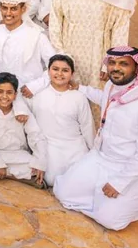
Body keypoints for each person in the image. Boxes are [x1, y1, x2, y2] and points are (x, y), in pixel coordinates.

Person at [54, 47, 138, 229]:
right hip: (104, 157)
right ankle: (104, 199)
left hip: (137, 167)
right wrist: (80, 88)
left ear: (137, 67)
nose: (116, 68)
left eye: (123, 64)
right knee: (64, 192)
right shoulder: (112, 86)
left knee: (110, 219)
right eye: (112, 63)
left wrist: (119, 183)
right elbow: (105, 99)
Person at [0, 73, 48, 187]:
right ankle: (19, 177)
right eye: (0, 92)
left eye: (9, 92)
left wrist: (40, 162)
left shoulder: (23, 112)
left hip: (18, 155)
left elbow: (35, 135)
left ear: (15, 94)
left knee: (38, 166)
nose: (4, 96)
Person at [30, 55, 94, 185]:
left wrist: (93, 152)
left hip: (76, 147)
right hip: (50, 148)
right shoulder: (37, 95)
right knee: (52, 180)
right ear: (48, 71)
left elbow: (87, 126)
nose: (59, 74)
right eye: (55, 69)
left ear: (72, 74)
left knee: (83, 181)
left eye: (65, 70)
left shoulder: (79, 97)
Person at [0, 0, 56, 89]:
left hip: (27, 93)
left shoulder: (37, 35)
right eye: (5, 8)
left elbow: (54, 65)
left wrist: (35, 86)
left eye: (13, 9)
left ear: (23, 9)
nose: (8, 13)